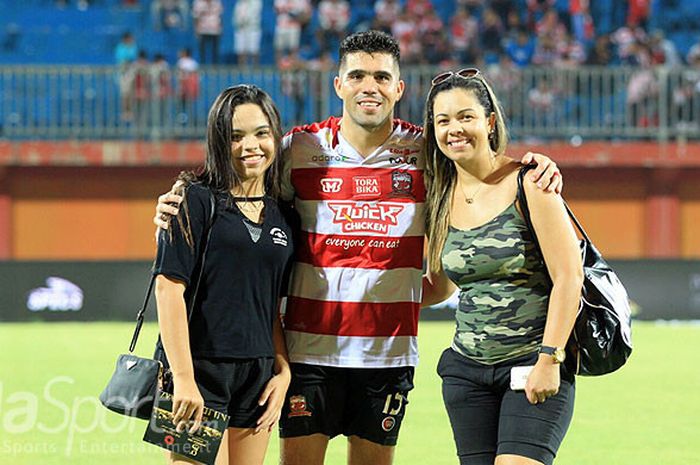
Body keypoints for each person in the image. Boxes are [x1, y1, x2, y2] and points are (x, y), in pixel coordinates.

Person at [154, 31, 563, 465]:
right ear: (339, 85)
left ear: (399, 88)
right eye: (358, 75)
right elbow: (239, 195)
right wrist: (179, 204)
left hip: (387, 356)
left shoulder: (429, 154)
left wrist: (535, 163)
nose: (370, 86)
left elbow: (483, 165)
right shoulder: (299, 149)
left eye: (382, 77)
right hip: (307, 353)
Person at [420, 68, 583, 465]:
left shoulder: (531, 183)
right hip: (466, 373)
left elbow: (569, 276)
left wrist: (549, 360)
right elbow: (441, 288)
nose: (454, 129)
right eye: (442, 121)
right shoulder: (438, 197)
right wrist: (368, 297)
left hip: (532, 362)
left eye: (466, 117)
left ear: (489, 122)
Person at [153, 85, 294, 465]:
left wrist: (282, 367)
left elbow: (269, 303)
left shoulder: (284, 212)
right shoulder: (192, 199)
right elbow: (168, 290)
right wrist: (182, 377)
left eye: (262, 133)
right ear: (218, 141)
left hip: (258, 376)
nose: (251, 145)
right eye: (235, 136)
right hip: (199, 368)